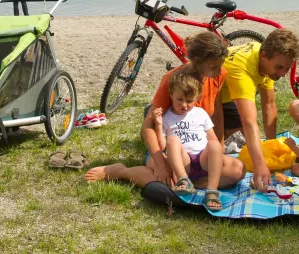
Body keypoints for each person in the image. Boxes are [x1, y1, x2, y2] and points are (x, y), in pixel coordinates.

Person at [85, 31, 245, 191]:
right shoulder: (174, 79)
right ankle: (121, 172)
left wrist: (218, 149)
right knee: (166, 179)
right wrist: (161, 165)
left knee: (238, 170)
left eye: (220, 65)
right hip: (172, 149)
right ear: (197, 61)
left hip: (199, 150)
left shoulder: (218, 75)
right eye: (214, 67)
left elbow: (216, 113)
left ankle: (188, 184)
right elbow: (147, 127)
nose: (219, 71)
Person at [221, 28, 299, 193]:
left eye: (287, 69)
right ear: (264, 56)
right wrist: (260, 166)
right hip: (198, 102)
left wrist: (270, 150)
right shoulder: (242, 69)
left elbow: (269, 106)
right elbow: (249, 121)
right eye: (279, 67)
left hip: (225, 99)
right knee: (222, 156)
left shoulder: (266, 57)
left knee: (249, 145)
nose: (282, 74)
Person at [152, 70, 224, 209]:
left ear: (197, 98)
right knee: (173, 139)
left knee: (215, 144)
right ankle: (183, 180)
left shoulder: (200, 113)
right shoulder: (167, 117)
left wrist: (218, 155)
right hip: (183, 162)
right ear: (171, 95)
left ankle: (212, 192)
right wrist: (159, 125)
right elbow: (162, 146)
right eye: (179, 100)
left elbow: (213, 139)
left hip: (203, 159)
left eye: (189, 101)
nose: (184, 105)